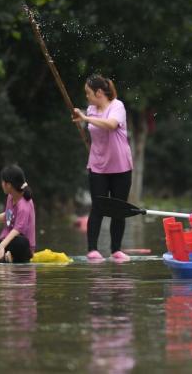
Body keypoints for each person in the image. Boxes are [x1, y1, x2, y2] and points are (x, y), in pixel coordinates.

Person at [73, 74, 134, 262]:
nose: (87, 97)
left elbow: (111, 125)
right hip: (98, 166)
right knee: (97, 207)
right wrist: (82, 118)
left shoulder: (117, 106)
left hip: (121, 167)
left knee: (119, 209)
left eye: (88, 93)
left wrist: (86, 118)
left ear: (99, 92)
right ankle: (92, 249)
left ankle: (116, 250)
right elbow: (91, 126)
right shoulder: (91, 109)